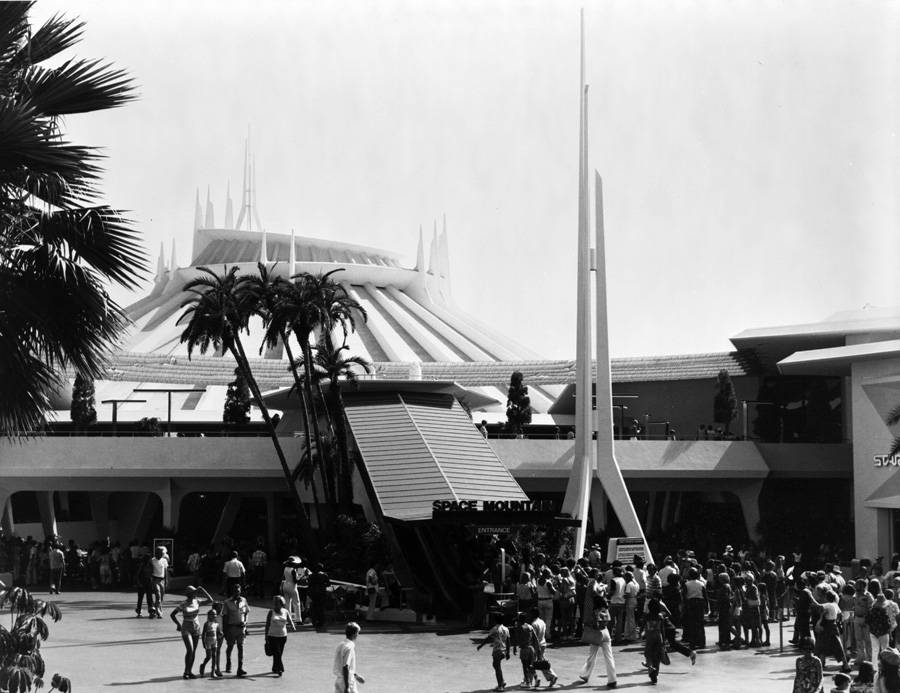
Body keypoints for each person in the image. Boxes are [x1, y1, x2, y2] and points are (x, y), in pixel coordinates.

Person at [170, 585, 214, 679]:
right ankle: (186, 671)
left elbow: (210, 600)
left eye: (195, 592)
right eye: (194, 592)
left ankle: (189, 671)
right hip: (186, 628)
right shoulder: (183, 604)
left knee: (193, 651)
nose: (195, 594)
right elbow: (172, 614)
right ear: (189, 594)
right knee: (189, 650)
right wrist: (178, 624)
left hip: (196, 628)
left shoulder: (197, 601)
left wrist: (203, 590)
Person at [578, 581, 616, 689]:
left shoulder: (594, 610)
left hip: (596, 634)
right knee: (609, 657)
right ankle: (612, 679)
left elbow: (593, 623)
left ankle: (585, 675)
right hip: (606, 633)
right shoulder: (605, 609)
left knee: (592, 656)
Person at [477, 612, 510, 692]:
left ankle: (500, 686)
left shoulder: (494, 629)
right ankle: (502, 681)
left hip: (497, 650)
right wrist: (508, 652)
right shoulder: (506, 629)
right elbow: (508, 641)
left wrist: (481, 645)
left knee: (497, 667)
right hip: (503, 650)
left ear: (495, 620)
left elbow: (488, 639)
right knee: (496, 666)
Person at [222, 583, 250, 677]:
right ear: (232, 592)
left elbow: (246, 613)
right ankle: (228, 662)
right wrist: (225, 631)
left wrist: (245, 623)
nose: (237, 593)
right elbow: (225, 617)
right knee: (230, 647)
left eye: (238, 591)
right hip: (231, 628)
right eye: (235, 591)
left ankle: (240, 668)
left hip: (241, 628)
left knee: (240, 647)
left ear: (240, 591)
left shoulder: (244, 600)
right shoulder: (227, 602)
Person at [265, 595, 295, 677]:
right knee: (277, 653)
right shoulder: (271, 612)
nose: (275, 605)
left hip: (283, 636)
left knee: (279, 653)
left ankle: (275, 667)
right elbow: (267, 625)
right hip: (272, 636)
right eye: (275, 603)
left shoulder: (285, 611)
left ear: (282, 604)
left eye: (277, 603)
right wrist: (266, 637)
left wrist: (293, 626)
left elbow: (290, 620)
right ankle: (280, 668)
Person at [529, 607, 559, 687]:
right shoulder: (542, 622)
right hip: (543, 643)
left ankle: (532, 680)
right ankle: (550, 676)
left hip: (537, 645)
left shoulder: (534, 624)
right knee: (541, 662)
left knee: (531, 663)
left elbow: (534, 638)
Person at [333, 621, 365, 693]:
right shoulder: (349, 647)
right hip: (347, 682)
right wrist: (347, 687)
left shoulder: (341, 644)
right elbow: (345, 666)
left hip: (339, 681)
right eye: (357, 633)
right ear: (354, 634)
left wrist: (355, 675)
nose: (358, 635)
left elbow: (344, 666)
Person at [199, 609, 223, 679]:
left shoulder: (216, 624)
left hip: (214, 641)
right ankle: (203, 666)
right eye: (212, 614)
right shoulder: (206, 624)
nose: (213, 615)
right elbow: (203, 634)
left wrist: (220, 633)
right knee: (209, 656)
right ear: (208, 615)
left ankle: (213, 672)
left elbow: (218, 631)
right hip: (208, 641)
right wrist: (203, 643)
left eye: (215, 614)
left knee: (214, 656)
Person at [309, 562, 331, 631]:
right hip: (321, 593)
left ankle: (314, 621)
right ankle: (321, 622)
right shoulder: (324, 575)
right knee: (321, 608)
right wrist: (323, 585)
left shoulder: (311, 575)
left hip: (313, 593)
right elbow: (328, 584)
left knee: (314, 607)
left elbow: (309, 584)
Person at [281, 556, 303, 622]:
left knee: (287, 603)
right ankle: (298, 619)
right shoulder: (293, 570)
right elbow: (295, 580)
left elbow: (283, 577)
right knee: (296, 603)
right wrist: (300, 576)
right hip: (292, 586)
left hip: (285, 585)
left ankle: (288, 619)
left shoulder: (285, 568)